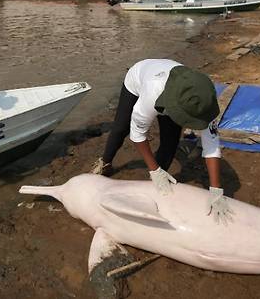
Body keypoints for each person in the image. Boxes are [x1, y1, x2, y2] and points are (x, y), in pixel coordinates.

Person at [90, 59, 233, 224]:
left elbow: (212, 145)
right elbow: (137, 134)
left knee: (170, 143)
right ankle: (105, 163)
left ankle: (155, 188)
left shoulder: (204, 101)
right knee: (120, 128)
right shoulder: (152, 93)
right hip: (139, 79)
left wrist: (216, 190)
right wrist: (154, 170)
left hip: (177, 90)